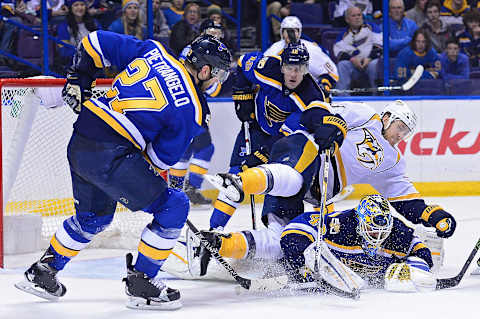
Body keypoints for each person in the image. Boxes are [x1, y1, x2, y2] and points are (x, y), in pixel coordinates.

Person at [14, 31, 232, 310]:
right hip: (112, 155)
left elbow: (93, 42)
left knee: (93, 218)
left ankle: (43, 273)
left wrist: (79, 78)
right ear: (204, 70)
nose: (218, 82)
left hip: (81, 140)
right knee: (174, 206)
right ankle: (142, 281)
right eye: (219, 75)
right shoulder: (193, 109)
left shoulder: (155, 51)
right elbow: (159, 161)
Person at [199, 100, 455, 276]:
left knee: (280, 241)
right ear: (387, 117)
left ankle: (219, 244)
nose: (401, 135)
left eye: (406, 133)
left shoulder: (392, 162)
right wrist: (331, 126)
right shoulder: (368, 115)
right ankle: (240, 182)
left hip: (317, 190)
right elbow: (316, 109)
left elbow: (407, 201)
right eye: (400, 127)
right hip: (305, 153)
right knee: (295, 177)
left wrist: (434, 215)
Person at [208, 42, 342, 235]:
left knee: (293, 188)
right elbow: (242, 64)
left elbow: (285, 137)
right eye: (289, 68)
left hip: (287, 145)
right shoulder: (266, 68)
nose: (294, 74)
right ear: (282, 66)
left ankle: (297, 235)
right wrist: (242, 95)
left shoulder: (311, 98)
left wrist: (260, 157)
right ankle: (213, 230)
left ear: (307, 68)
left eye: (300, 68)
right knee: (236, 175)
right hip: (256, 129)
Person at [279, 194, 437, 292]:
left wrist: (413, 269)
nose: (377, 235)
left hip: (360, 279)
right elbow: (292, 231)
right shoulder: (339, 225)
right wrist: (303, 264)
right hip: (328, 283)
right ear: (359, 222)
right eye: (371, 229)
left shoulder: (398, 233)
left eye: (383, 231)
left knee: (430, 250)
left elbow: (422, 253)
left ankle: (433, 239)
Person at [168, 20, 227, 207]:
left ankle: (176, 190)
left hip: (189, 108)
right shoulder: (191, 52)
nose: (216, 36)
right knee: (204, 147)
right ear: (202, 33)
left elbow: (214, 90)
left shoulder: (210, 53)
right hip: (188, 109)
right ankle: (188, 188)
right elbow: (210, 88)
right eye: (212, 32)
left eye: (219, 33)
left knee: (184, 151)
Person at [264, 16, 339, 95]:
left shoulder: (311, 49)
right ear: (282, 32)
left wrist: (324, 84)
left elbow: (333, 73)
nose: (290, 34)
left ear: (299, 32)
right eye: (287, 31)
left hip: (309, 93)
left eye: (294, 31)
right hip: (281, 93)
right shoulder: (274, 49)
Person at [333, 6, 383, 95]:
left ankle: (377, 95)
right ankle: (342, 97)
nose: (357, 18)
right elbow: (339, 52)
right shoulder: (343, 35)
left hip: (370, 62)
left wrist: (370, 58)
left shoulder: (372, 28)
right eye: (354, 16)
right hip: (353, 65)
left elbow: (379, 46)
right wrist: (352, 59)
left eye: (359, 15)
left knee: (375, 64)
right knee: (342, 65)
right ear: (347, 19)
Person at [56, 0, 101, 73]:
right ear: (70, 8)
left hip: (94, 64)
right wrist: (83, 55)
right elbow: (64, 51)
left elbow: (101, 44)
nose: (80, 8)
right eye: (76, 5)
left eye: (82, 4)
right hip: (73, 66)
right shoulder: (64, 26)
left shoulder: (95, 23)